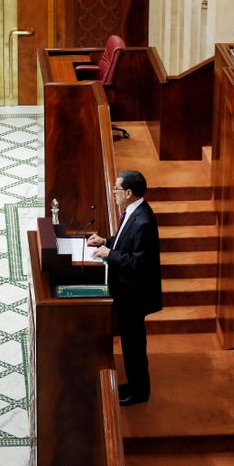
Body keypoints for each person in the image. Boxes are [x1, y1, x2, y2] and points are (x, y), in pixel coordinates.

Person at [86, 170, 162, 406]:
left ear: (128, 193)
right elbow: (125, 244)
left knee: (134, 345)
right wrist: (106, 242)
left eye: (117, 189)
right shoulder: (132, 211)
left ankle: (139, 392)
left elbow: (139, 263)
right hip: (125, 290)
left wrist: (110, 254)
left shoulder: (143, 221)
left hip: (134, 295)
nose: (114, 193)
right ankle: (133, 385)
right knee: (130, 343)